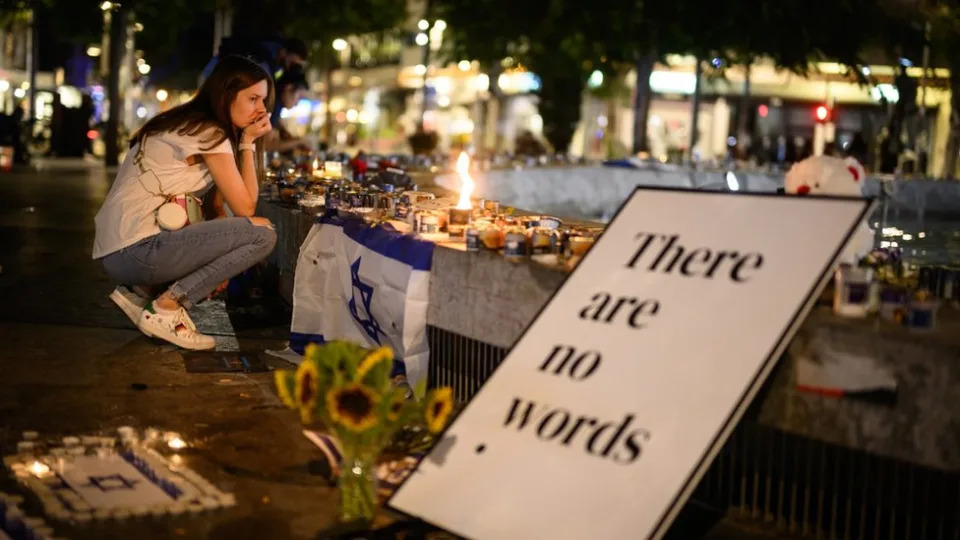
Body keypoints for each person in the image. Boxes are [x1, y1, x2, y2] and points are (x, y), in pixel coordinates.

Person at [92, 55, 278, 350]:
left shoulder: (190, 124)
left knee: (246, 233)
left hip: (121, 251)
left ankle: (141, 293)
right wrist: (248, 143)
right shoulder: (209, 133)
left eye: (264, 100)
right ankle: (166, 307)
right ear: (227, 94)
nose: (261, 110)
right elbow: (246, 208)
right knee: (263, 234)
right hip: (138, 250)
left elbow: (216, 209)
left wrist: (219, 263)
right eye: (253, 98)